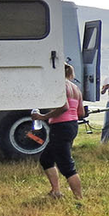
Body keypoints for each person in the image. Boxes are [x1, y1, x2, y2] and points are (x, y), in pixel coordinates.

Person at [33, 63, 84, 200]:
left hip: (61, 126)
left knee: (67, 166)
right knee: (46, 159)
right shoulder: (76, 88)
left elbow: (64, 107)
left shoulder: (60, 86)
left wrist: (43, 117)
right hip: (72, 125)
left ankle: (79, 199)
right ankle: (55, 191)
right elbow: (81, 112)